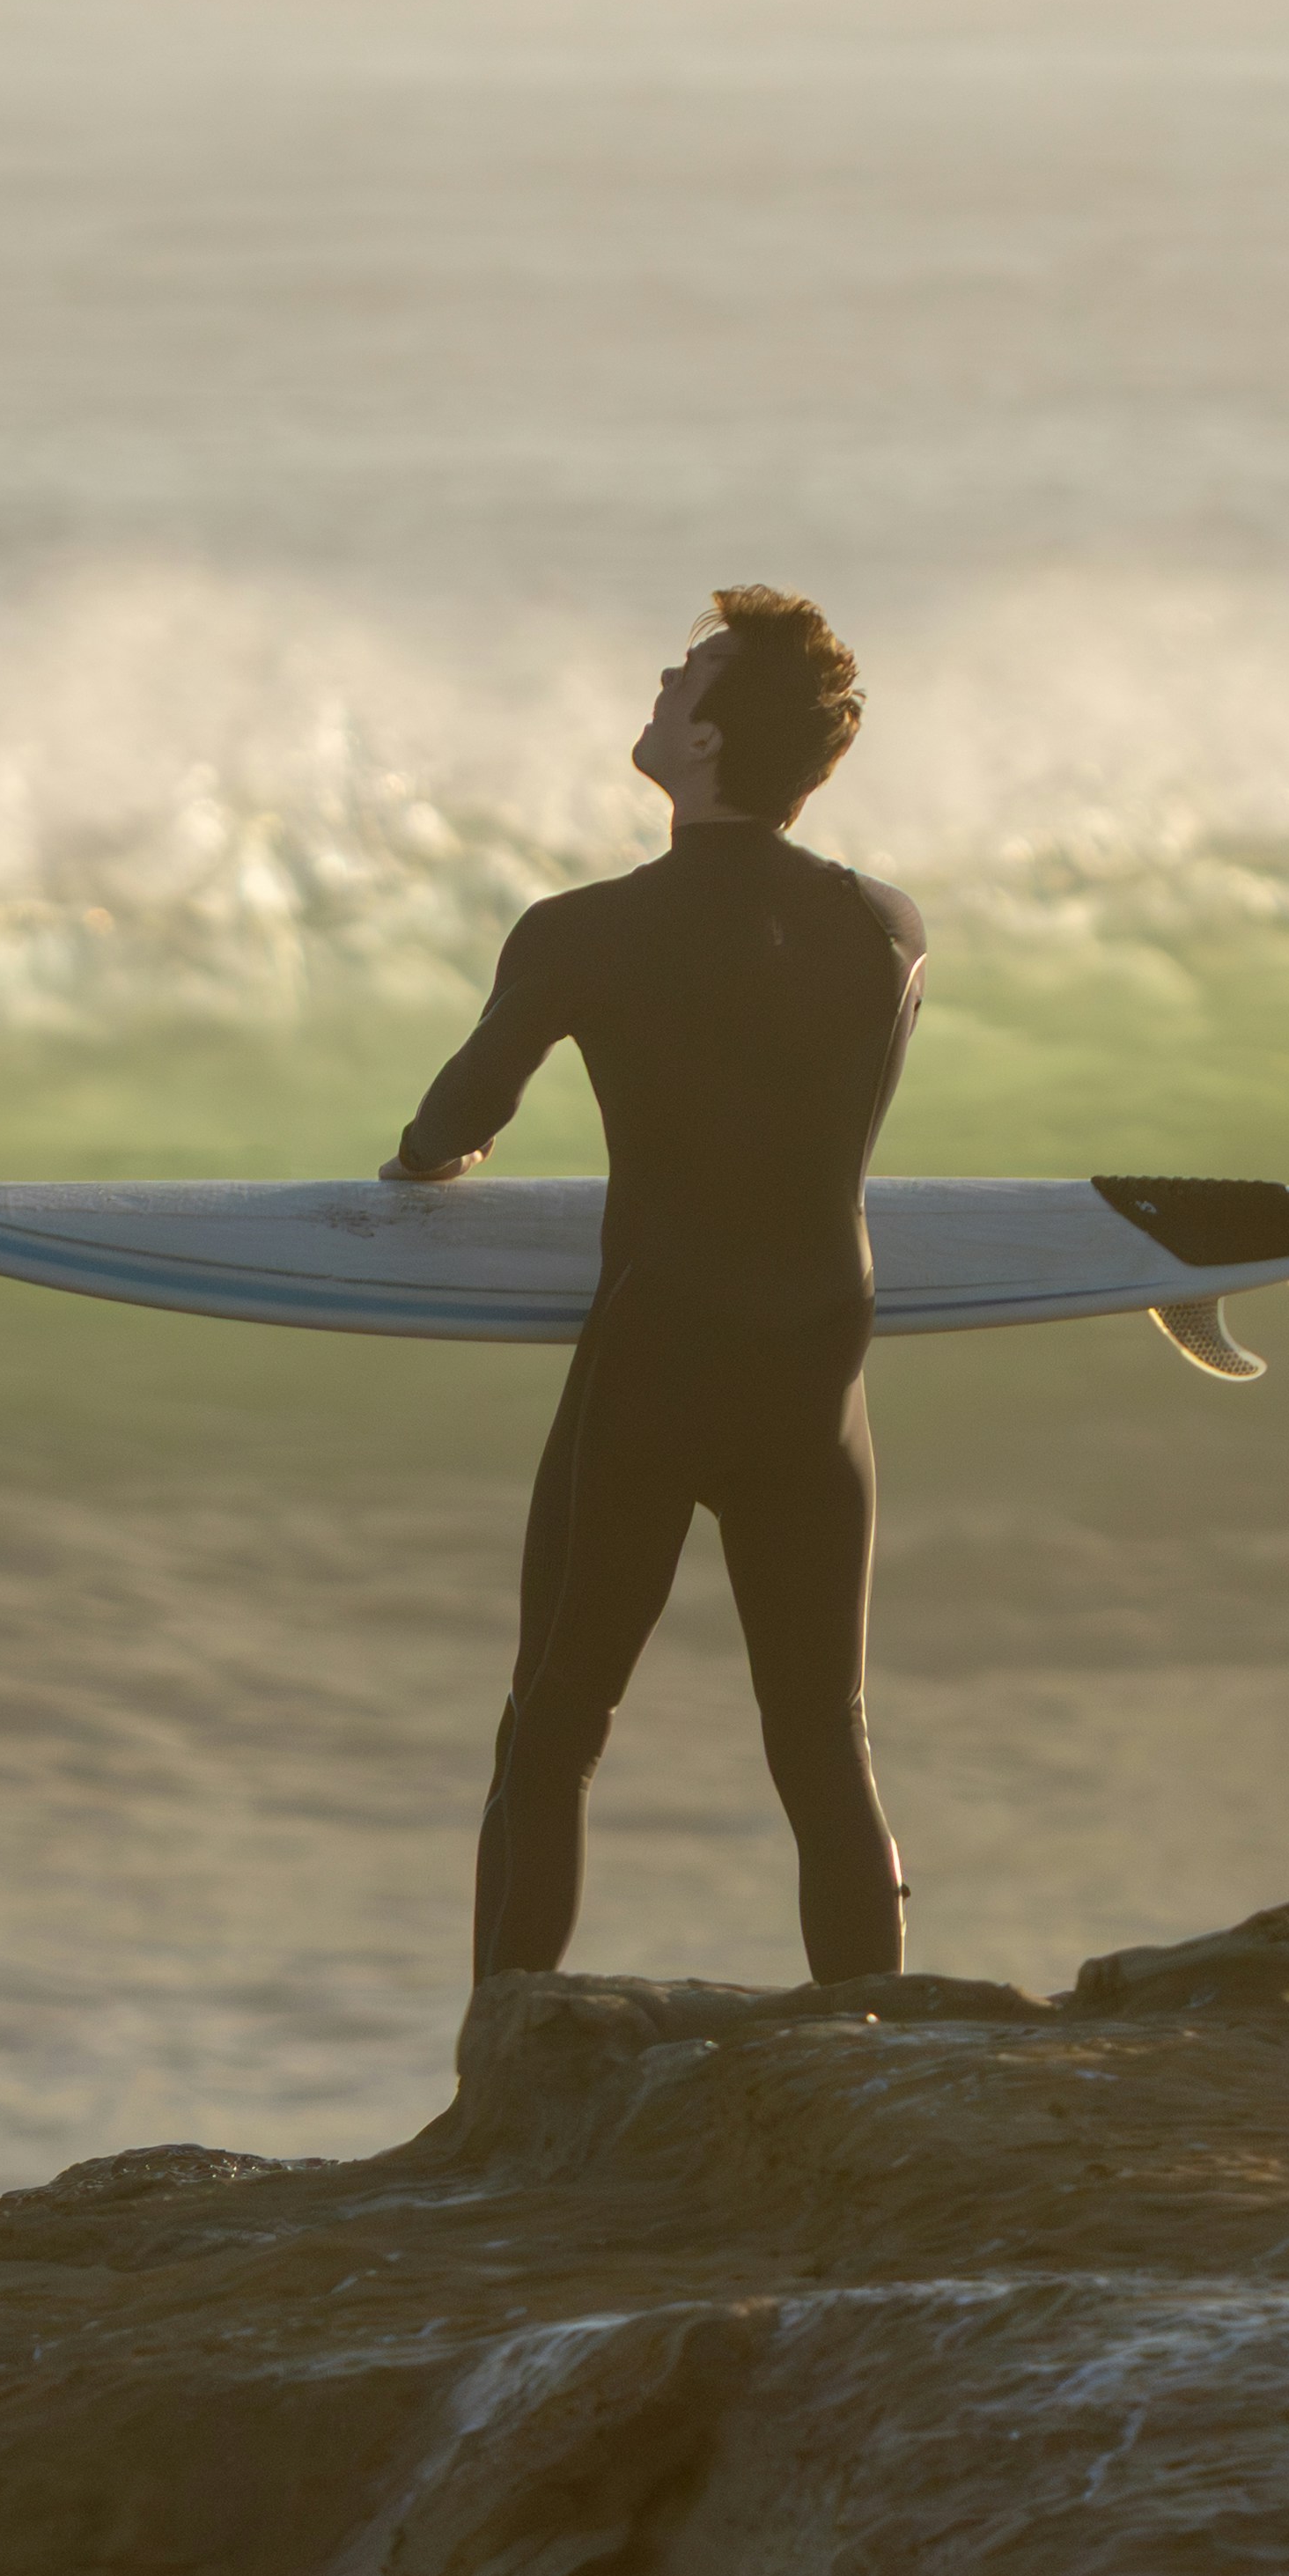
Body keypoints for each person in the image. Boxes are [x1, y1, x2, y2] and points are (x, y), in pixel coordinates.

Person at [387, 592, 925, 1987]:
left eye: (682, 672)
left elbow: (449, 1125)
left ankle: (500, 2064)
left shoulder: (582, 933)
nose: (660, 678)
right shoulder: (887, 929)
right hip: (819, 1372)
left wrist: (429, 1165)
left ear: (698, 741)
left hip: (656, 1366)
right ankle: (877, 2059)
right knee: (823, 1741)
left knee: (553, 1733)